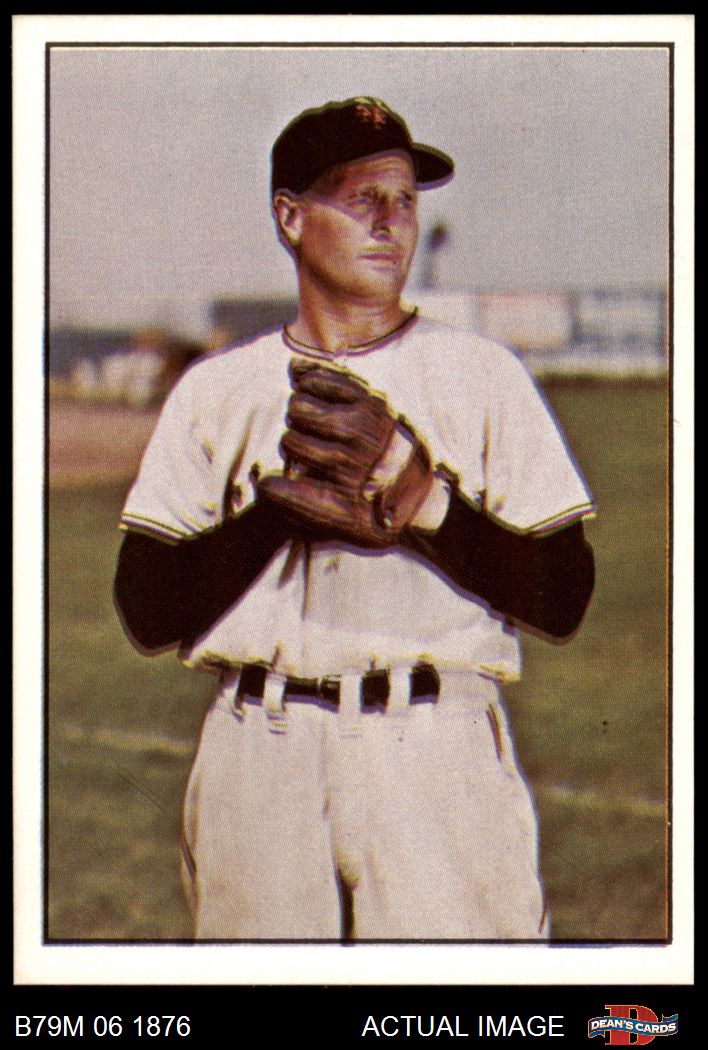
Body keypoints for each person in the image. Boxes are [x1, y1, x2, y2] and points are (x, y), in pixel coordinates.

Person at [114, 97, 596, 942]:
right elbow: (147, 610)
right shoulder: (217, 390)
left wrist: (420, 500)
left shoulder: (483, 376)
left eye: (405, 199)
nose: (391, 221)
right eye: (360, 197)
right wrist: (276, 513)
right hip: (259, 754)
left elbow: (564, 596)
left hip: (434, 751)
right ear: (290, 217)